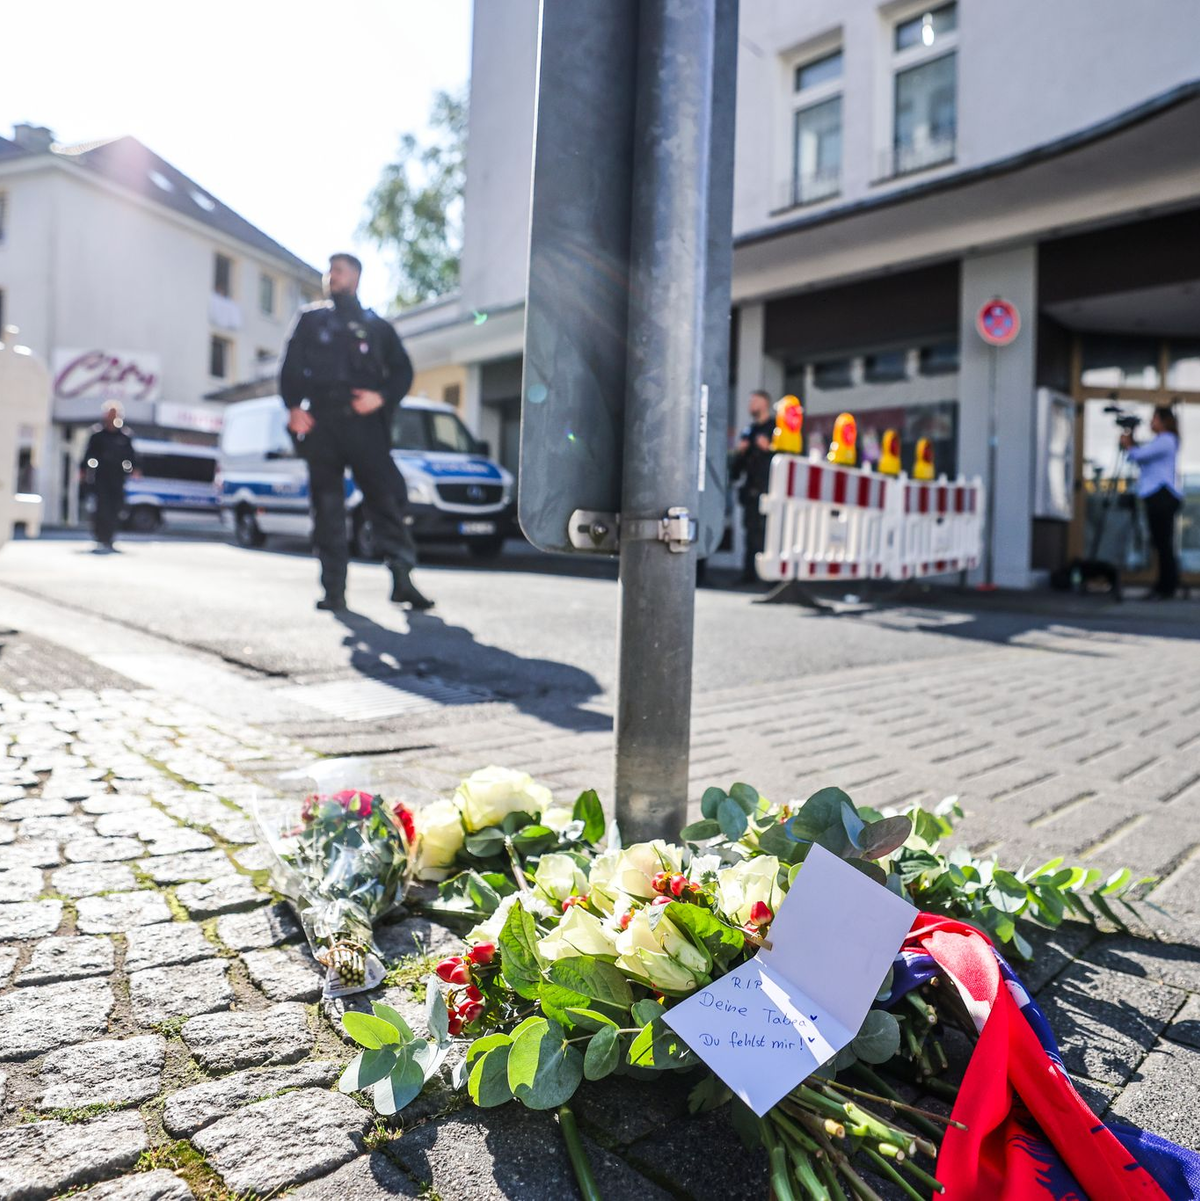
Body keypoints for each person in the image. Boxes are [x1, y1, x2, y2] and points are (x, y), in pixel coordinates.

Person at [279, 252, 433, 612]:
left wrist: (380, 397)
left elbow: (402, 372)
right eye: (329, 270)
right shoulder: (310, 321)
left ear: (357, 277)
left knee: (387, 500)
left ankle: (402, 580)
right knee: (327, 508)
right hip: (322, 425)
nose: (331, 276)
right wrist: (292, 408)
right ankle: (334, 591)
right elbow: (291, 368)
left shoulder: (378, 326)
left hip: (366, 427)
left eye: (340, 270)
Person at [1122, 406, 1182, 599]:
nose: (1151, 423)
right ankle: (1165, 585)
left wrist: (1130, 443)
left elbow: (1138, 455)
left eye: (1154, 419)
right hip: (1157, 496)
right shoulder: (1160, 441)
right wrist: (1132, 444)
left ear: (1164, 421)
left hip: (1162, 496)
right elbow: (1138, 459)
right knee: (1160, 543)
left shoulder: (1166, 440)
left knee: (1163, 543)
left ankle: (1166, 587)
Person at [730, 390, 776, 584]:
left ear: (765, 403)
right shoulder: (748, 431)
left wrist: (771, 448)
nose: (751, 404)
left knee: (768, 532)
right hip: (751, 490)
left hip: (770, 489)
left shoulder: (776, 429)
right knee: (750, 533)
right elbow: (738, 466)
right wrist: (740, 453)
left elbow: (786, 456)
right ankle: (750, 574)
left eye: (755, 401)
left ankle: (769, 575)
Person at [81, 401, 137, 551]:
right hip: (101, 478)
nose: (112, 417)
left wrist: (134, 468)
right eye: (109, 414)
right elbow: (88, 455)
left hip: (118, 479)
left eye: (115, 414)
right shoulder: (97, 434)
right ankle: (100, 536)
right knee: (102, 508)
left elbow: (131, 457)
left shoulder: (125, 435)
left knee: (116, 509)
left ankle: (110, 537)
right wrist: (85, 470)